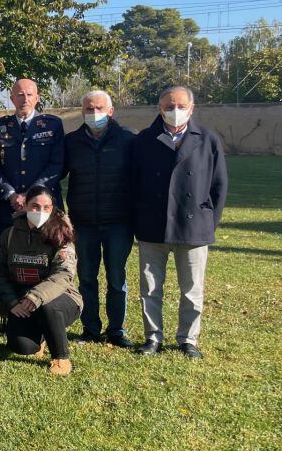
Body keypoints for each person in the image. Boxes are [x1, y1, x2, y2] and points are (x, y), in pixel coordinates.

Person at [131, 86, 228, 359]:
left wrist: (209, 220)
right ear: (159, 109)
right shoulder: (144, 140)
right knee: (150, 288)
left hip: (193, 226)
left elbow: (219, 186)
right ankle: (153, 337)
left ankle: (188, 339)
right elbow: (133, 183)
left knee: (192, 290)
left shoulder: (208, 139)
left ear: (192, 108)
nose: (175, 111)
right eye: (168, 106)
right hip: (153, 226)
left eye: (180, 106)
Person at [62, 90, 135, 347]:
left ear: (111, 111)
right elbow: (56, 173)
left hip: (118, 222)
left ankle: (117, 330)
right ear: (82, 112)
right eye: (89, 109)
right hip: (84, 222)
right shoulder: (71, 142)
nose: (94, 114)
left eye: (99, 108)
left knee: (116, 278)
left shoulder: (127, 140)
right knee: (87, 278)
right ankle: (90, 328)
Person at [0, 185, 81, 376]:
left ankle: (61, 358)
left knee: (48, 307)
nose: (40, 212)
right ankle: (41, 338)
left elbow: (63, 275)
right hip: (22, 301)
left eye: (46, 207)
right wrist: (11, 302)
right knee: (22, 347)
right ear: (24, 207)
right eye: (34, 206)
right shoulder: (10, 235)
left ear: (52, 209)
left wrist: (36, 296)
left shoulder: (61, 234)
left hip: (61, 298)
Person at [0, 78, 64, 229]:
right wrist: (11, 194)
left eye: (29, 95)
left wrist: (31, 195)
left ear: (37, 98)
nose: (25, 99)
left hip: (44, 203)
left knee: (46, 249)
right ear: (12, 99)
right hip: (9, 205)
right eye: (20, 95)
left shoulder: (52, 125)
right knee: (10, 249)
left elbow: (57, 164)